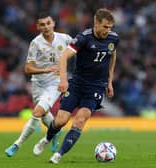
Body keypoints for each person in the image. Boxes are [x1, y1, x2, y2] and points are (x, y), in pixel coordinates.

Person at [33, 8, 119, 164]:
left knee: (80, 120)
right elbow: (63, 56)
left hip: (96, 87)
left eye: (110, 27)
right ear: (96, 23)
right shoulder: (83, 38)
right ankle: (47, 139)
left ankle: (58, 155)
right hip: (78, 83)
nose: (109, 30)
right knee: (60, 121)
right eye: (105, 27)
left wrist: (110, 81)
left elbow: (112, 56)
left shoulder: (113, 38)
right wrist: (63, 80)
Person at [5, 11, 72, 157]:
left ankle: (17, 144)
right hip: (37, 84)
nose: (46, 27)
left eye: (48, 23)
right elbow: (28, 69)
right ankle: (56, 132)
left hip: (54, 82)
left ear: (53, 23)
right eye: (42, 24)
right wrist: (46, 69)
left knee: (37, 112)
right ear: (38, 27)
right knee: (43, 114)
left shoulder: (65, 39)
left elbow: (79, 49)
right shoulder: (36, 43)